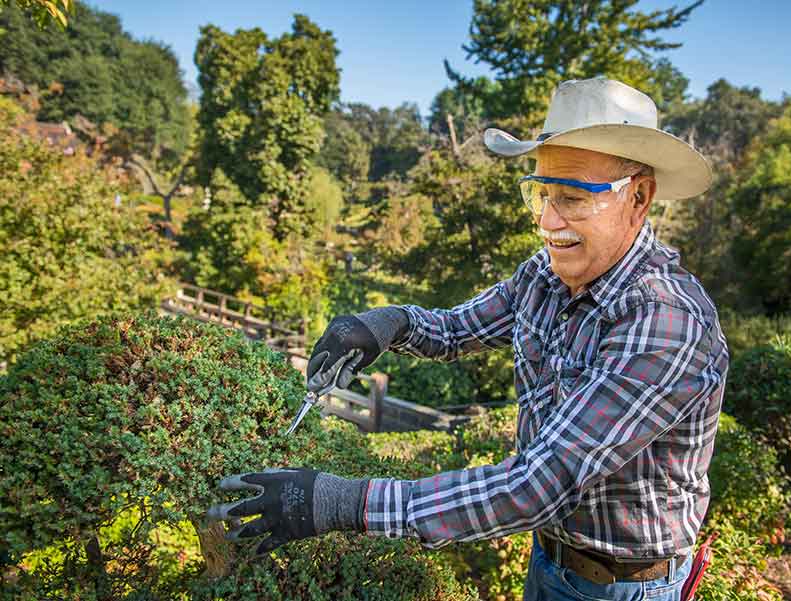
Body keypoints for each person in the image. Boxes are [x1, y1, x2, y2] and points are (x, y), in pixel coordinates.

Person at [207, 77, 729, 601]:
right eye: (541, 194)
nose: (548, 222)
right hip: (549, 559)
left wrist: (344, 503)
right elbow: (458, 329)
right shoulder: (545, 278)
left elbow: (539, 483)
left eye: (572, 198)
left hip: (626, 589)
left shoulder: (665, 321)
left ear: (638, 198)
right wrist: (388, 324)